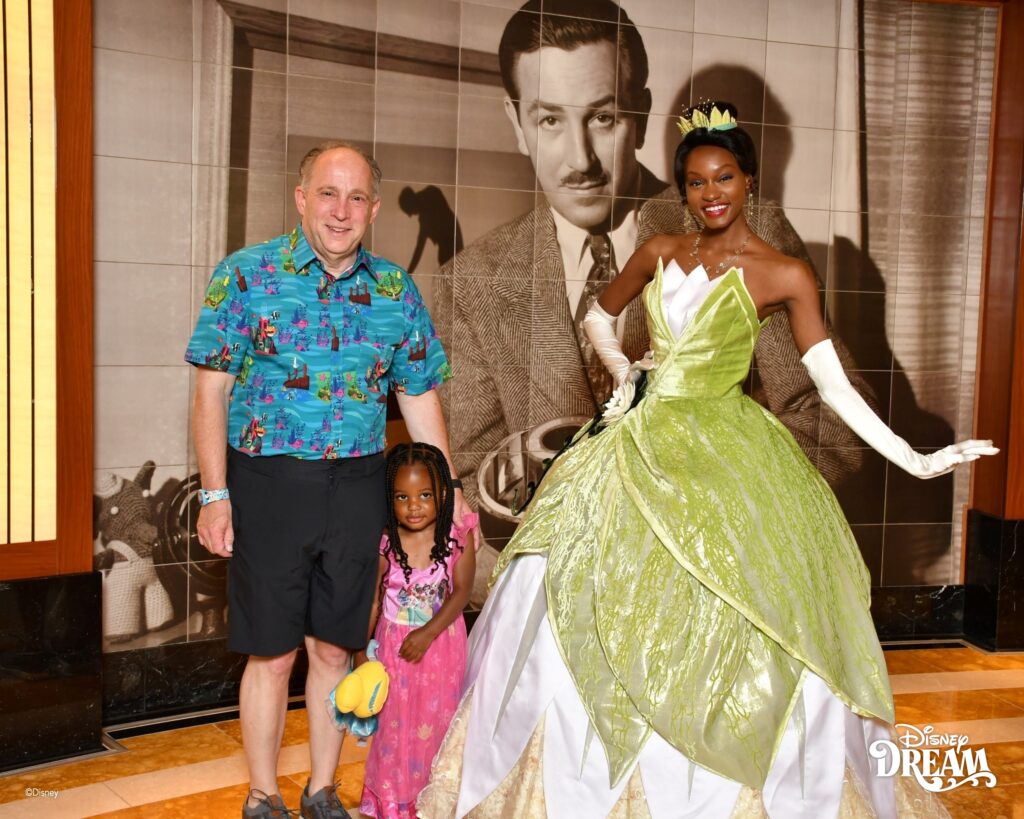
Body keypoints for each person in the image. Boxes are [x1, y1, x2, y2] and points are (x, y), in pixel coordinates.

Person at [416, 103, 996, 818]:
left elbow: (832, 385)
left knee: (751, 600)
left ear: (749, 180)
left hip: (728, 446)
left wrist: (914, 456)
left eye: (723, 177)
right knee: (558, 577)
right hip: (635, 438)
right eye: (695, 181)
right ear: (684, 189)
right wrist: (623, 371)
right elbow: (599, 316)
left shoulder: (784, 274)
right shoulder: (661, 250)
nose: (710, 193)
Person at [434, 0, 876, 597]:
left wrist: (696, 484)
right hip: (556, 597)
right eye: (549, 120)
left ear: (640, 116)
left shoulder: (747, 233)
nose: (581, 160)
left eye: (603, 117)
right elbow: (469, 476)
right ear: (516, 122)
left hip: (712, 584)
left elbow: (837, 421)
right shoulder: (473, 281)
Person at [185, 140, 469, 819]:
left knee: (335, 649)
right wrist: (215, 495)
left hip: (358, 487)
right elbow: (209, 392)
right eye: (328, 194)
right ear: (301, 197)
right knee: (271, 653)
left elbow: (419, 398)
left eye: (356, 197)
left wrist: (452, 494)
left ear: (374, 208)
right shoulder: (246, 275)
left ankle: (321, 789)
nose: (341, 211)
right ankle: (262, 793)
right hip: (268, 485)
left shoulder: (395, 291)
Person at [356, 442, 478, 818]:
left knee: (438, 725)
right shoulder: (385, 544)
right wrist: (360, 652)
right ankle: (395, 802)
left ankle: (435, 802)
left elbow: (462, 593)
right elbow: (372, 601)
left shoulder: (457, 537)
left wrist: (427, 634)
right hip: (393, 649)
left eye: (425, 495)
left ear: (442, 493)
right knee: (394, 730)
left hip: (442, 648)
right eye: (402, 497)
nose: (414, 506)